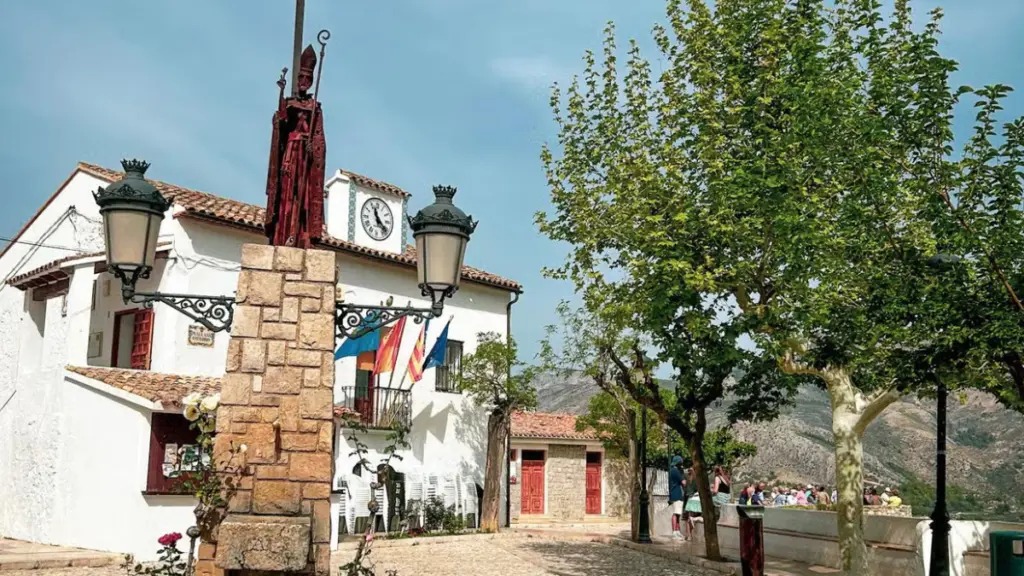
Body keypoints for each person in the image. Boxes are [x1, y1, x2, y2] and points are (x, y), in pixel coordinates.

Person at [668, 456, 686, 539]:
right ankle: (674, 532)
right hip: (676, 494)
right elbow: (683, 482)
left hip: (676, 494)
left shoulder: (672, 470)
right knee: (675, 513)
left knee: (678, 514)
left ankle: (677, 531)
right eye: (681, 463)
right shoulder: (675, 471)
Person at [683, 468, 702, 541]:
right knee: (697, 516)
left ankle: (688, 535)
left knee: (689, 517)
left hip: (691, 499)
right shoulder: (698, 479)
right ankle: (691, 534)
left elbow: (686, 490)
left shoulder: (688, 478)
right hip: (697, 499)